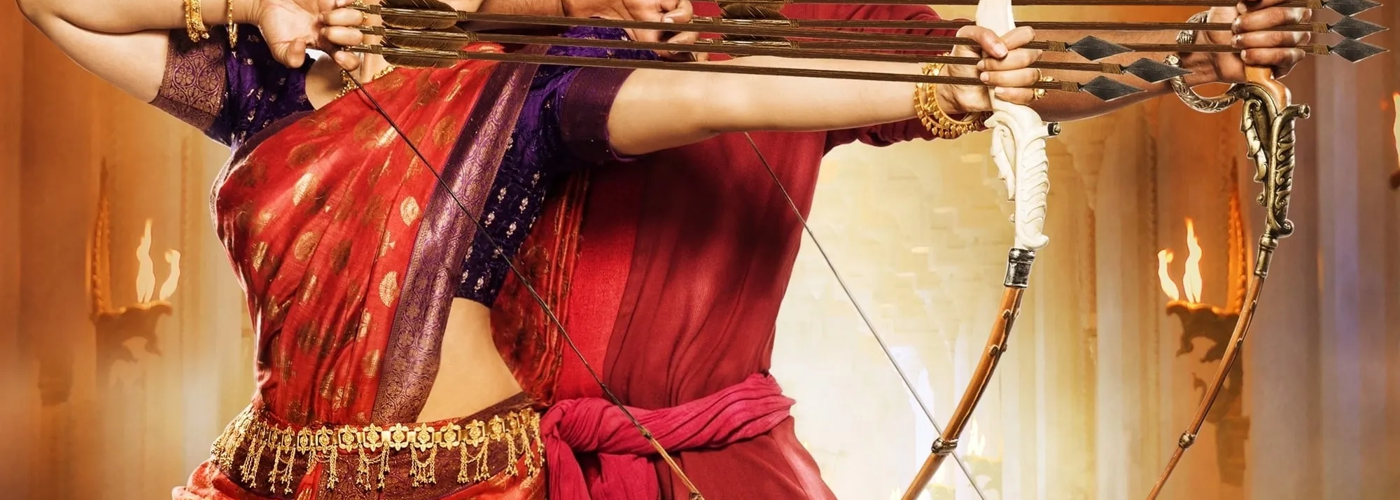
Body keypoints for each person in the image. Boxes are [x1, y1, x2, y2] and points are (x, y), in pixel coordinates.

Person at [17, 0, 1048, 498]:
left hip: (462, 481)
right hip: (269, 478)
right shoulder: (258, 92)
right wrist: (247, 4)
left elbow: (719, 94)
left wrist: (939, 84)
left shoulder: (522, 90)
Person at [489, 1, 1315, 499]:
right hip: (521, 462)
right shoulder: (526, 38)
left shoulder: (814, 17)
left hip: (727, 461)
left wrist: (1180, 57)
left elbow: (1011, 71)